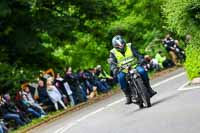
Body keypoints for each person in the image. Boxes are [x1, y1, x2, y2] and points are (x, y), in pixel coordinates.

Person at [109, 35, 157, 104]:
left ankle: (149, 88)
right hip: (123, 69)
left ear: (124, 42)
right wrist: (114, 69)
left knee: (142, 71)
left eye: (122, 44)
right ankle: (128, 95)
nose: (121, 47)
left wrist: (141, 60)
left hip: (134, 66)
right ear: (115, 46)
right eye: (118, 46)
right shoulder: (112, 53)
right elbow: (112, 64)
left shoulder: (129, 46)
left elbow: (138, 55)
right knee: (121, 77)